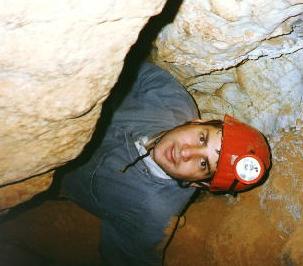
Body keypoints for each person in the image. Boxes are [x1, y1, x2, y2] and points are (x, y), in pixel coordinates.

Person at [61, 62, 271, 266]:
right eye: (202, 139)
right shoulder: (169, 99)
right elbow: (116, 63)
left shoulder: (151, 213)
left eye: (203, 164)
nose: (186, 152)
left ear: (199, 185)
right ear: (198, 122)